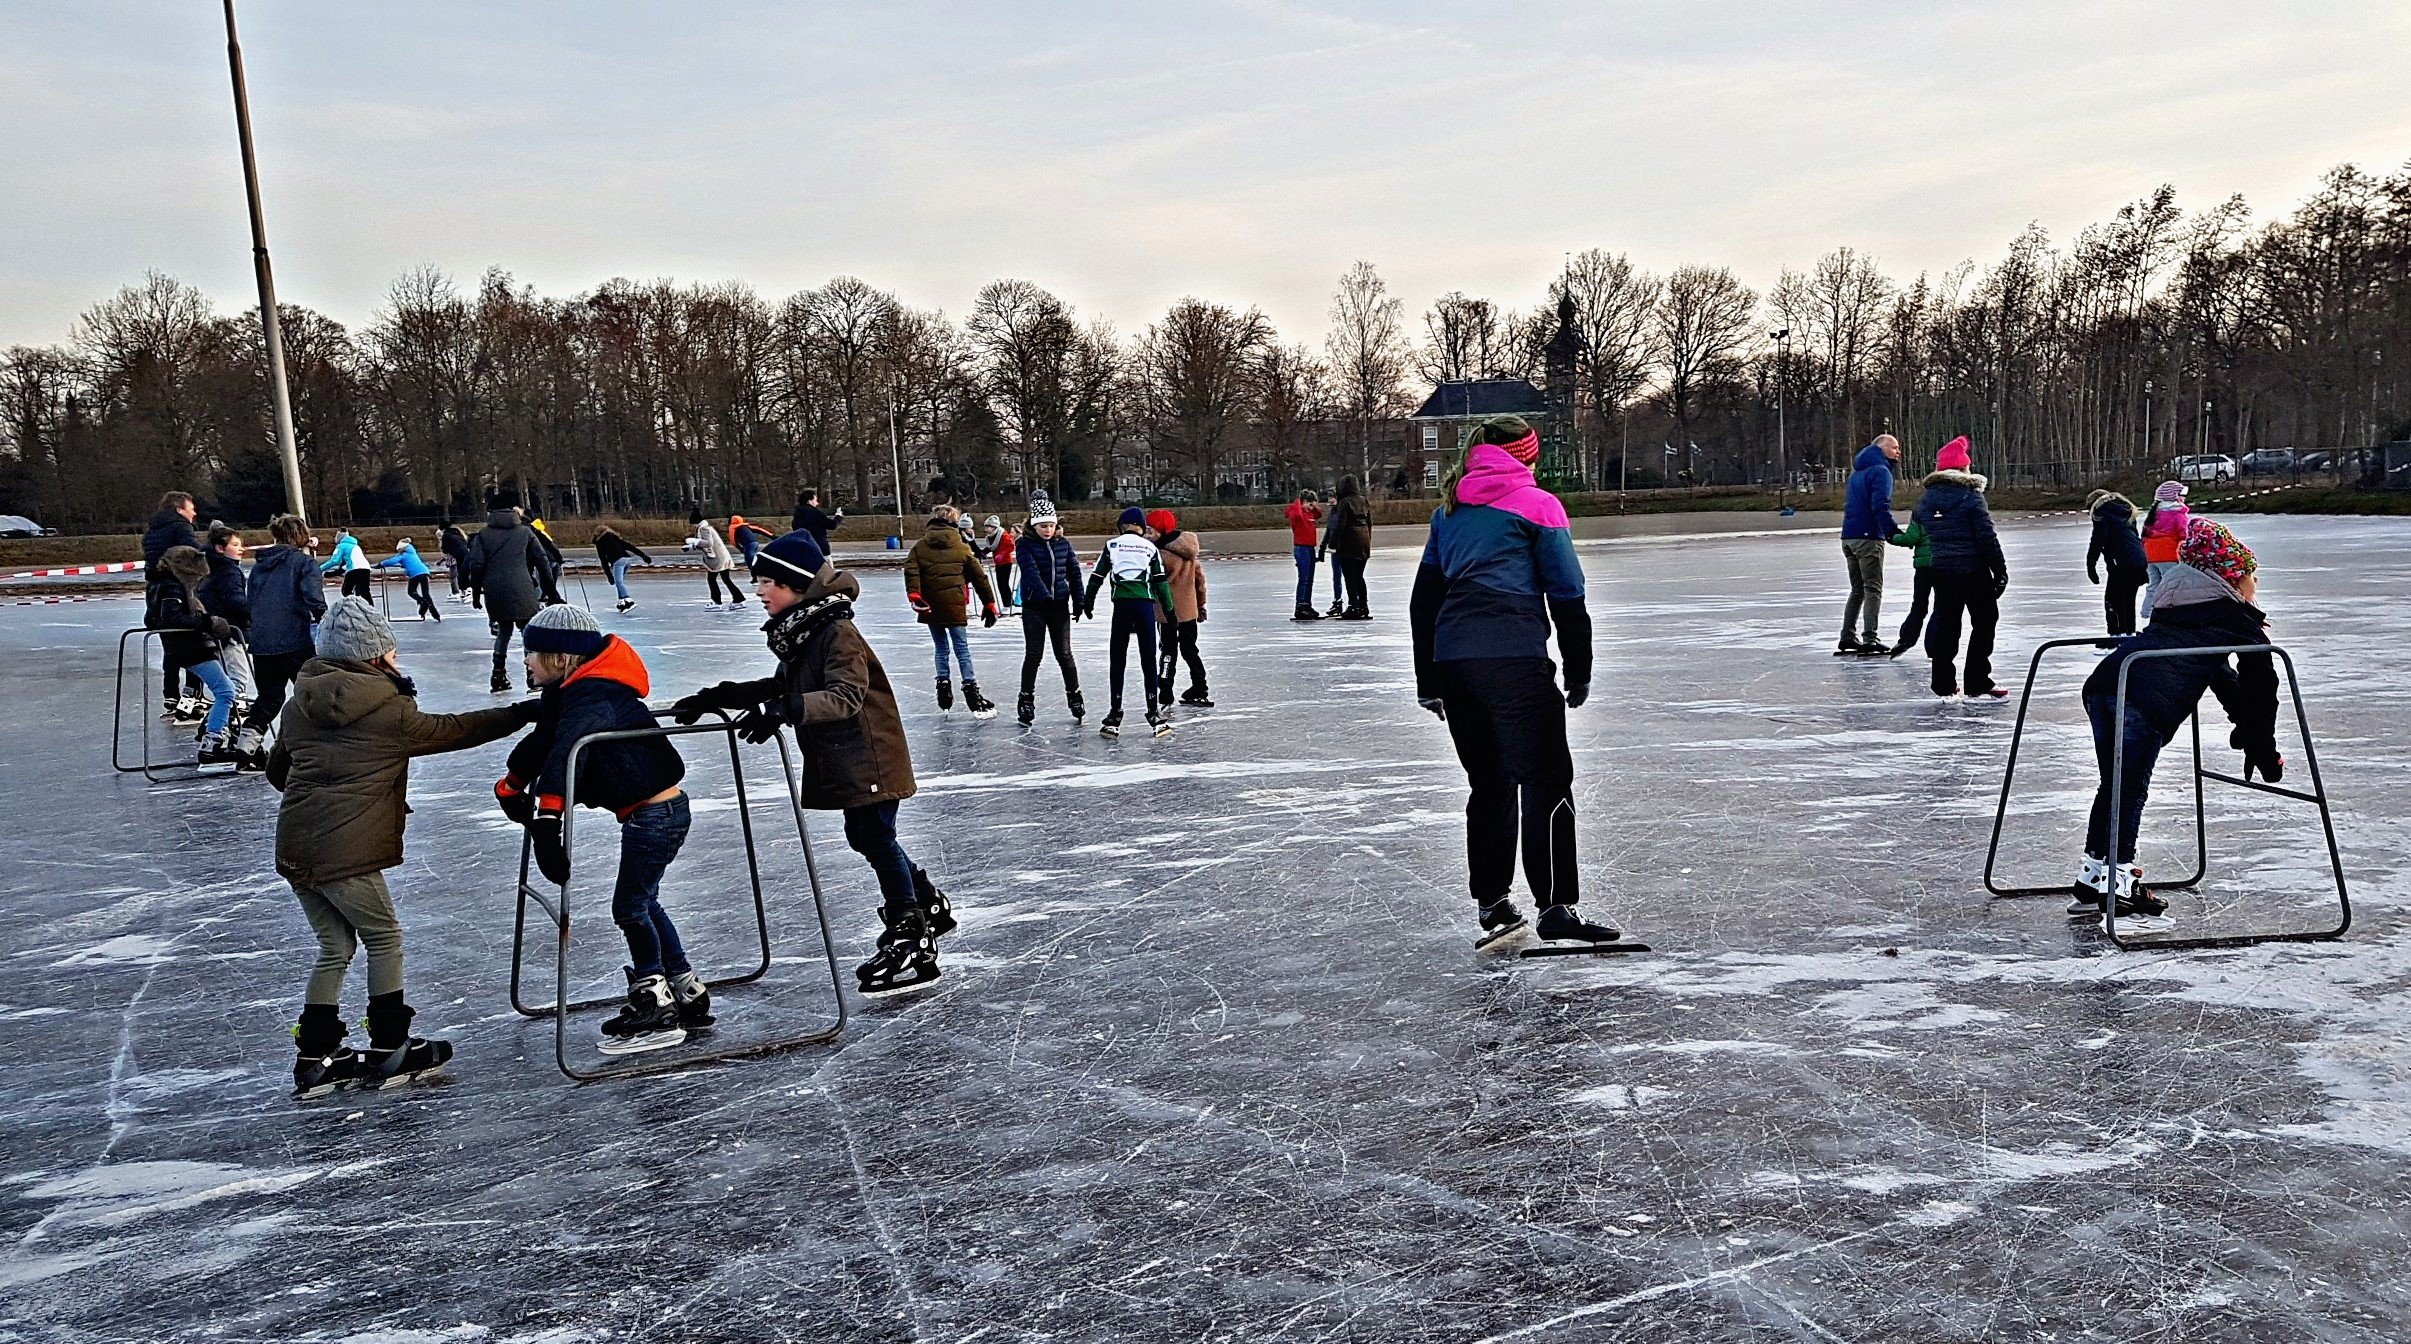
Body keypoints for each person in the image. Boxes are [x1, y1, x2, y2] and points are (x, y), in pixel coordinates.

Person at [668, 530, 956, 998]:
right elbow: (786, 685)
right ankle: (926, 902)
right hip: (849, 757)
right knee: (868, 835)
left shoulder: (836, 631)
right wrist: (722, 695)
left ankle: (911, 932)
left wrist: (787, 710)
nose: (760, 591)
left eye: (768, 583)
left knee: (875, 837)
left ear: (798, 586)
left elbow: (844, 695)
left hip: (871, 756)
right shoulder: (806, 630)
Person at [267, 598, 536, 1097]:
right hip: (345, 851)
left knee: (334, 946)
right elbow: (450, 731)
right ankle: (391, 1043)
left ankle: (316, 1056)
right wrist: (519, 713)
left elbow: (277, 773)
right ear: (375, 656)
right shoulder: (387, 709)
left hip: (295, 846)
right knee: (384, 936)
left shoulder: (296, 703)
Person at [1409, 416, 1616, 952]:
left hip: (1455, 663)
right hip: (1515, 661)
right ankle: (1555, 907)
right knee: (1546, 779)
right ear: (1526, 455)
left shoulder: (1448, 511)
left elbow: (1424, 601)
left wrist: (1427, 680)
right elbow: (1567, 592)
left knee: (1491, 784)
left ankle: (1492, 902)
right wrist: (1579, 668)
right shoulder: (1537, 504)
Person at [499, 606, 702, 1054]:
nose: (525, 661)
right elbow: (544, 740)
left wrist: (548, 821)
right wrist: (511, 787)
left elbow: (565, 752)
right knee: (644, 901)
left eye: (531, 653)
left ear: (560, 657)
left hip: (656, 815)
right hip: (655, 811)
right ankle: (685, 986)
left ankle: (654, 1002)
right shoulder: (572, 693)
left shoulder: (594, 698)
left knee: (630, 907)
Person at [2069, 519, 2280, 928]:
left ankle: (2092, 875)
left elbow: (2222, 677)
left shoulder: (2179, 604)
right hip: (2141, 697)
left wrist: (2249, 732)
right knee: (2127, 787)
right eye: (2253, 576)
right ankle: (2119, 884)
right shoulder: (2235, 616)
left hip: (2107, 684)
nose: (2255, 586)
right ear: (2233, 578)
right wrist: (2263, 748)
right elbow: (2261, 687)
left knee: (2115, 784)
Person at [1912, 436, 2009, 698]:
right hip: (1973, 570)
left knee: (1946, 625)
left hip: (1941, 570)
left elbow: (1921, 536)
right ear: (1964, 468)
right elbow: (1986, 536)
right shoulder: (1971, 496)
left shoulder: (1925, 501)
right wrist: (2000, 570)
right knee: (1985, 622)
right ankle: (1977, 680)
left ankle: (1943, 683)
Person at [1080, 507, 1176, 738]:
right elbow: (1160, 581)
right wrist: (1170, 611)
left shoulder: (1112, 545)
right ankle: (1153, 712)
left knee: (1118, 659)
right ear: (1142, 527)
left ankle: (1115, 713)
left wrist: (1088, 602)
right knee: (1148, 659)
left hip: (1121, 608)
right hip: (1144, 606)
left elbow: (1097, 576)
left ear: (1121, 527)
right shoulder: (1150, 547)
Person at [147, 545, 243, 770]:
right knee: (225, 691)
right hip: (191, 648)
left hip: (182, 648)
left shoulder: (158, 585)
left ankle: (211, 733)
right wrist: (207, 622)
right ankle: (212, 743)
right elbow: (172, 619)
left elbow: (151, 619)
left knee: (223, 690)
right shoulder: (172, 587)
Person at [243, 514, 324, 772]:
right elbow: (313, 598)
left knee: (269, 696)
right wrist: (330, 620)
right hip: (293, 640)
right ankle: (320, 746)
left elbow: (251, 603)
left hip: (262, 642)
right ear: (300, 535)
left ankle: (246, 747)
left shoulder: (259, 567)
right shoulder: (303, 564)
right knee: (313, 693)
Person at [902, 507, 999, 715]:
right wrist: (989, 603)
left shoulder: (919, 547)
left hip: (931, 606)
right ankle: (972, 692)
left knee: (941, 648)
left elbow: (911, 571)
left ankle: (943, 689)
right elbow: (979, 577)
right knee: (962, 649)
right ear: (954, 523)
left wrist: (915, 595)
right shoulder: (961, 547)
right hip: (954, 604)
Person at [463, 492, 551, 694]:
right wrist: (550, 590)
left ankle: (498, 675)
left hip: (495, 591)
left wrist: (476, 594)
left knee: (503, 632)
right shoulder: (525, 532)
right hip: (522, 588)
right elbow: (542, 560)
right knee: (527, 631)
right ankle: (533, 677)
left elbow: (476, 565)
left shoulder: (483, 535)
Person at [1012, 497, 1085, 725]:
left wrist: (1080, 600)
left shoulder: (1063, 544)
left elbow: (1073, 571)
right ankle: (1026, 699)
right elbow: (1030, 572)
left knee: (1064, 653)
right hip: (1035, 607)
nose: (1048, 530)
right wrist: (1044, 596)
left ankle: (1074, 695)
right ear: (1034, 525)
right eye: (1043, 526)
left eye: (1051, 525)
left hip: (1059, 607)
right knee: (1034, 654)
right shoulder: (1024, 544)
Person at [1837, 434, 1902, 655]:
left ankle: (1847, 636)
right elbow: (1880, 505)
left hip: (1849, 537)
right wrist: (1892, 532)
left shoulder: (1857, 472)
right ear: (1882, 448)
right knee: (1872, 588)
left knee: (1857, 589)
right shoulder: (1881, 471)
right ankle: (1870, 639)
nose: (1898, 452)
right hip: (1868, 538)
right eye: (1894, 448)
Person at [143, 491, 204, 720]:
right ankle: (190, 701)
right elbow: (194, 557)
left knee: (171, 645)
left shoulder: (152, 530)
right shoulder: (181, 528)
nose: (194, 512)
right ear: (179, 509)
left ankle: (171, 694)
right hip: (180, 588)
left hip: (155, 593)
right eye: (191, 507)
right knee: (195, 645)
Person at [1148, 508, 1211, 707]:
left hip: (1167, 614)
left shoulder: (1160, 555)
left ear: (1161, 532)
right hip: (1189, 612)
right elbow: (1199, 581)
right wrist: (1200, 605)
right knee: (1190, 649)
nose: (1147, 536)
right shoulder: (1190, 552)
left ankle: (1165, 688)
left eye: (1151, 532)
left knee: (1167, 650)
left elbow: (1152, 583)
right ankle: (1200, 685)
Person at [199, 523, 257, 729]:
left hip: (213, 631)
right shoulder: (228, 570)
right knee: (237, 681)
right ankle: (218, 728)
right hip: (229, 632)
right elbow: (235, 602)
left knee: (227, 684)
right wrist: (255, 611)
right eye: (235, 545)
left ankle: (216, 725)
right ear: (219, 548)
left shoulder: (207, 568)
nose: (241, 549)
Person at [2086, 489, 2149, 638]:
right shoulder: (2126, 510)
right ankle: (2129, 633)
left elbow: (2098, 540)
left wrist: (2091, 564)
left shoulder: (2101, 512)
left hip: (2121, 562)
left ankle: (2116, 635)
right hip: (2138, 559)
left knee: (2113, 600)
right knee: (2127, 599)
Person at [1321, 476, 1373, 619]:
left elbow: (1340, 525)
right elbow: (1369, 524)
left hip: (1349, 542)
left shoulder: (1345, 502)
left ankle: (1353, 606)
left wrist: (1332, 544)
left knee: (1349, 576)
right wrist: (1368, 541)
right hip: (1364, 541)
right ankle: (1364, 605)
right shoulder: (1364, 501)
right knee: (1359, 576)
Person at [1883, 514, 1933, 657]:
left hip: (1923, 568)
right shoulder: (1954, 508)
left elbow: (1911, 538)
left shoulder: (1922, 510)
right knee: (1942, 608)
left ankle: (1906, 640)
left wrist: (1892, 537)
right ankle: (1934, 644)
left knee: (1919, 605)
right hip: (1944, 564)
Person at [2139, 480, 2190, 618]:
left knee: (2153, 585)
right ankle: (2169, 614)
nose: (2184, 498)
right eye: (2182, 494)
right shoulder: (2178, 514)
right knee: (2171, 586)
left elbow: (2144, 534)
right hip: (2168, 554)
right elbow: (2183, 534)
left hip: (2150, 555)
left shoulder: (2153, 514)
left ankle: (2147, 612)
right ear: (2174, 496)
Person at [375, 539, 443, 621]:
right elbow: (414, 562)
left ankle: (422, 602)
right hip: (424, 572)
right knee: (426, 594)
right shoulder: (413, 552)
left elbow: (392, 561)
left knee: (411, 591)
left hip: (415, 574)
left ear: (401, 549)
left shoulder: (403, 555)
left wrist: (380, 564)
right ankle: (435, 614)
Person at [1285, 488, 1325, 620]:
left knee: (1310, 579)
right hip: (1301, 548)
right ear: (1303, 502)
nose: (1311, 507)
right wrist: (1299, 502)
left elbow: (1319, 514)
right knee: (1304, 579)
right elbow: (1295, 514)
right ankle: (1300, 605)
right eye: (1309, 503)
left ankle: (1307, 604)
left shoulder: (1311, 514)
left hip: (1310, 549)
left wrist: (1312, 506)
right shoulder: (1297, 513)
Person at [593, 526, 653, 613]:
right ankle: (622, 602)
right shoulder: (615, 538)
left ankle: (628, 600)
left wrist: (609, 576)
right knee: (619, 583)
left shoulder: (599, 543)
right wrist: (644, 556)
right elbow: (630, 547)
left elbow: (604, 561)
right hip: (627, 560)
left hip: (618, 562)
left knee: (618, 582)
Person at [692, 512, 746, 609]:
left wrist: (695, 542)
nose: (692, 526)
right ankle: (738, 599)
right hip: (722, 557)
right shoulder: (707, 527)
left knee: (712, 579)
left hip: (717, 559)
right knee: (726, 579)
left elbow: (708, 543)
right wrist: (692, 545)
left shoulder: (704, 529)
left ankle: (717, 602)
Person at [321, 527, 372, 600]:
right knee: (364, 592)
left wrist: (320, 568)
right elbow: (344, 567)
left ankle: (352, 608)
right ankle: (370, 609)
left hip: (354, 569)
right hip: (366, 568)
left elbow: (335, 561)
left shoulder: (341, 546)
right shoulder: (355, 546)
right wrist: (328, 574)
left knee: (346, 591)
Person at [790, 488, 844, 552]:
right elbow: (832, 525)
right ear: (809, 501)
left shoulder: (797, 514)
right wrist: (838, 516)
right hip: (819, 548)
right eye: (815, 500)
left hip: (803, 547)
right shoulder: (815, 513)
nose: (817, 503)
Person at [983, 515, 1017, 612]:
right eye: (986, 527)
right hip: (998, 563)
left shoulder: (1003, 535)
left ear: (994, 527)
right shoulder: (991, 537)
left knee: (1003, 584)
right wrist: (982, 553)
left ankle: (1008, 604)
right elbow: (990, 547)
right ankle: (1007, 603)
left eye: (988, 527)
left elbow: (1010, 546)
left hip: (1006, 562)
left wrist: (1002, 554)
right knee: (1000, 584)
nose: (986, 529)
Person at [439, 523, 471, 602]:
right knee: (464, 572)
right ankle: (465, 590)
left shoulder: (446, 535)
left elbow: (445, 549)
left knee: (460, 573)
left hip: (458, 554)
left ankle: (466, 591)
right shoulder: (457, 532)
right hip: (466, 552)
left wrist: (445, 550)